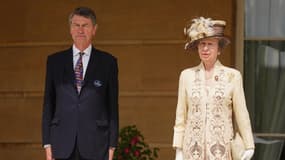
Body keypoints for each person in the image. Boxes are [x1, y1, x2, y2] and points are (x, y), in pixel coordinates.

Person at [42, 7, 119, 160]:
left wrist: (112, 146)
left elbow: (112, 107)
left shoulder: (108, 62)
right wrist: (47, 143)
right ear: (70, 29)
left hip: (96, 145)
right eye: (76, 25)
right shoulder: (55, 61)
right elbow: (48, 104)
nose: (80, 30)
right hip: (61, 145)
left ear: (94, 29)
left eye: (85, 25)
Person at [173, 17, 255, 160]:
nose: (205, 48)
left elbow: (242, 114)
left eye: (210, 44)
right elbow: (181, 117)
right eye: (202, 44)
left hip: (221, 151)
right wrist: (178, 149)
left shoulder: (233, 76)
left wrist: (249, 145)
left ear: (219, 49)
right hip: (192, 151)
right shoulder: (186, 76)